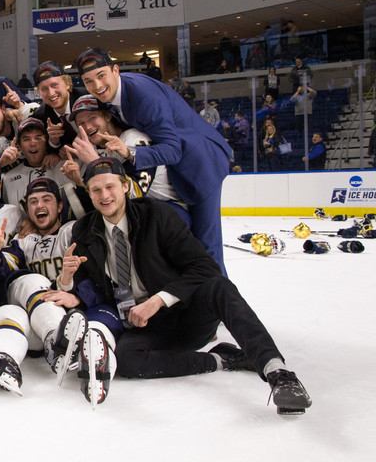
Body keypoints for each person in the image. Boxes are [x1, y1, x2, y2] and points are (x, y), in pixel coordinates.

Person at [59, 157, 312, 415]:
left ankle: (278, 373)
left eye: (110, 187)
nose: (104, 195)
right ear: (88, 193)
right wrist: (67, 281)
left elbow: (205, 267)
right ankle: (221, 360)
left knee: (219, 286)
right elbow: (87, 285)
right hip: (144, 325)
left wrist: (158, 300)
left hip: (184, 314)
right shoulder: (84, 230)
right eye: (96, 190)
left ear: (125, 186)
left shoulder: (156, 215)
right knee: (127, 360)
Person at [75, 47, 232, 272]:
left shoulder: (143, 95)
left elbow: (173, 150)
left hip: (202, 164)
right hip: (180, 173)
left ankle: (221, 295)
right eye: (88, 81)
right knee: (192, 251)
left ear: (116, 70)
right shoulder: (116, 94)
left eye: (101, 76)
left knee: (207, 249)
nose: (97, 86)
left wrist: (130, 152)